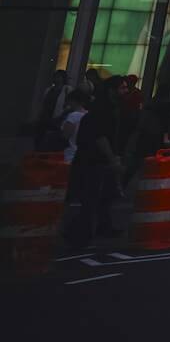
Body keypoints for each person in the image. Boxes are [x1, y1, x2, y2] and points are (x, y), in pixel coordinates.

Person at [66, 89, 121, 248]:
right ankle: (78, 233)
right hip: (92, 161)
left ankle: (79, 231)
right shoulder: (99, 117)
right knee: (89, 199)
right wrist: (112, 159)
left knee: (89, 199)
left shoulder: (90, 116)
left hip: (85, 160)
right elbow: (101, 138)